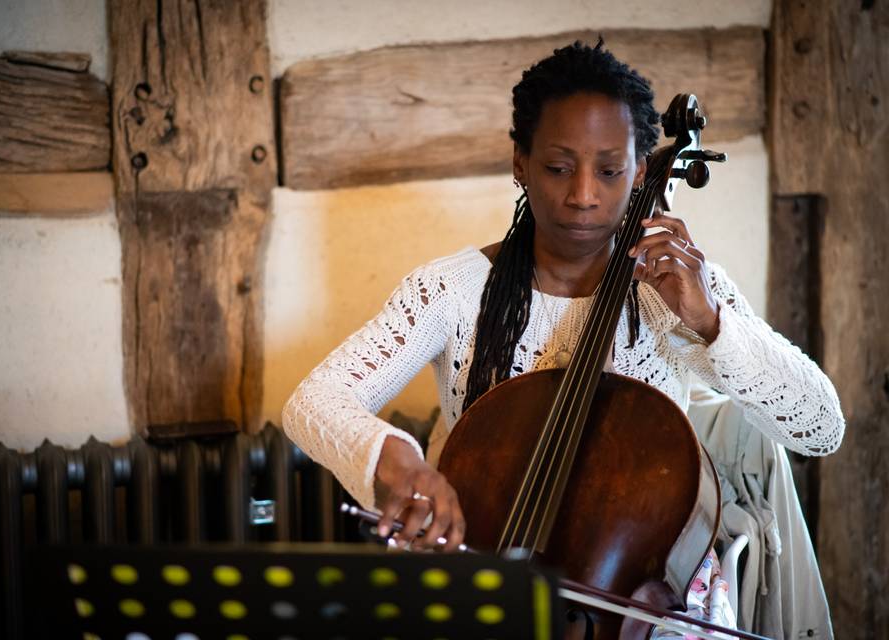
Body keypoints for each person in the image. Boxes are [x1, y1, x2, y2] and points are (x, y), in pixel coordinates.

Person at [281, 40, 845, 633]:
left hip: (636, 612)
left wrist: (710, 323)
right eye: (557, 167)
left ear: (642, 171)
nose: (583, 195)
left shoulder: (679, 290)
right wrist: (401, 462)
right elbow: (312, 403)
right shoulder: (451, 291)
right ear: (519, 163)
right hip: (489, 588)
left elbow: (822, 426)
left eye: (609, 170)